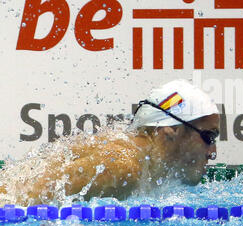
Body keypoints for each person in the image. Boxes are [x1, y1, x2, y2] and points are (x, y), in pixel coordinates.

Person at [0, 80, 220, 206]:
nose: (213, 152)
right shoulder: (122, 167)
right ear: (172, 129)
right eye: (209, 137)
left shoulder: (145, 165)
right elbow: (18, 202)